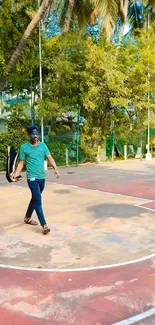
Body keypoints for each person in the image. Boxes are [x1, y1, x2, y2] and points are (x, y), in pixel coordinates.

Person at [13, 125, 60, 235]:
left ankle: (27, 218)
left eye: (36, 135)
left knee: (35, 199)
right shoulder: (24, 147)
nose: (35, 138)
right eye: (33, 136)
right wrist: (16, 173)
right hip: (32, 178)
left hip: (42, 178)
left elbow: (49, 157)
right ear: (29, 136)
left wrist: (55, 169)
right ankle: (44, 225)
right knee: (38, 201)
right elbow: (21, 162)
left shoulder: (43, 146)